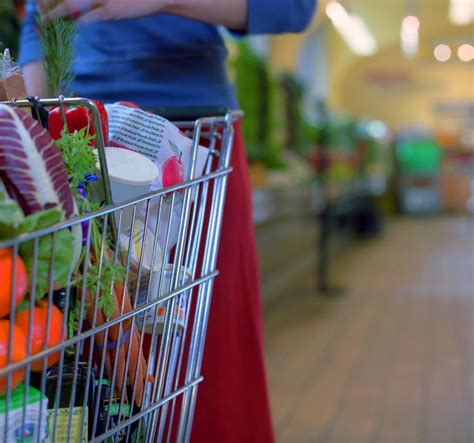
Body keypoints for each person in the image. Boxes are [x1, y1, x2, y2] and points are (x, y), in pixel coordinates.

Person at [19, 1, 317, 441]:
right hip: (79, 132)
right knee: (76, 367)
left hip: (193, 140)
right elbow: (38, 18)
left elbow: (291, 9)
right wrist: (40, 120)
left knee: (200, 357)